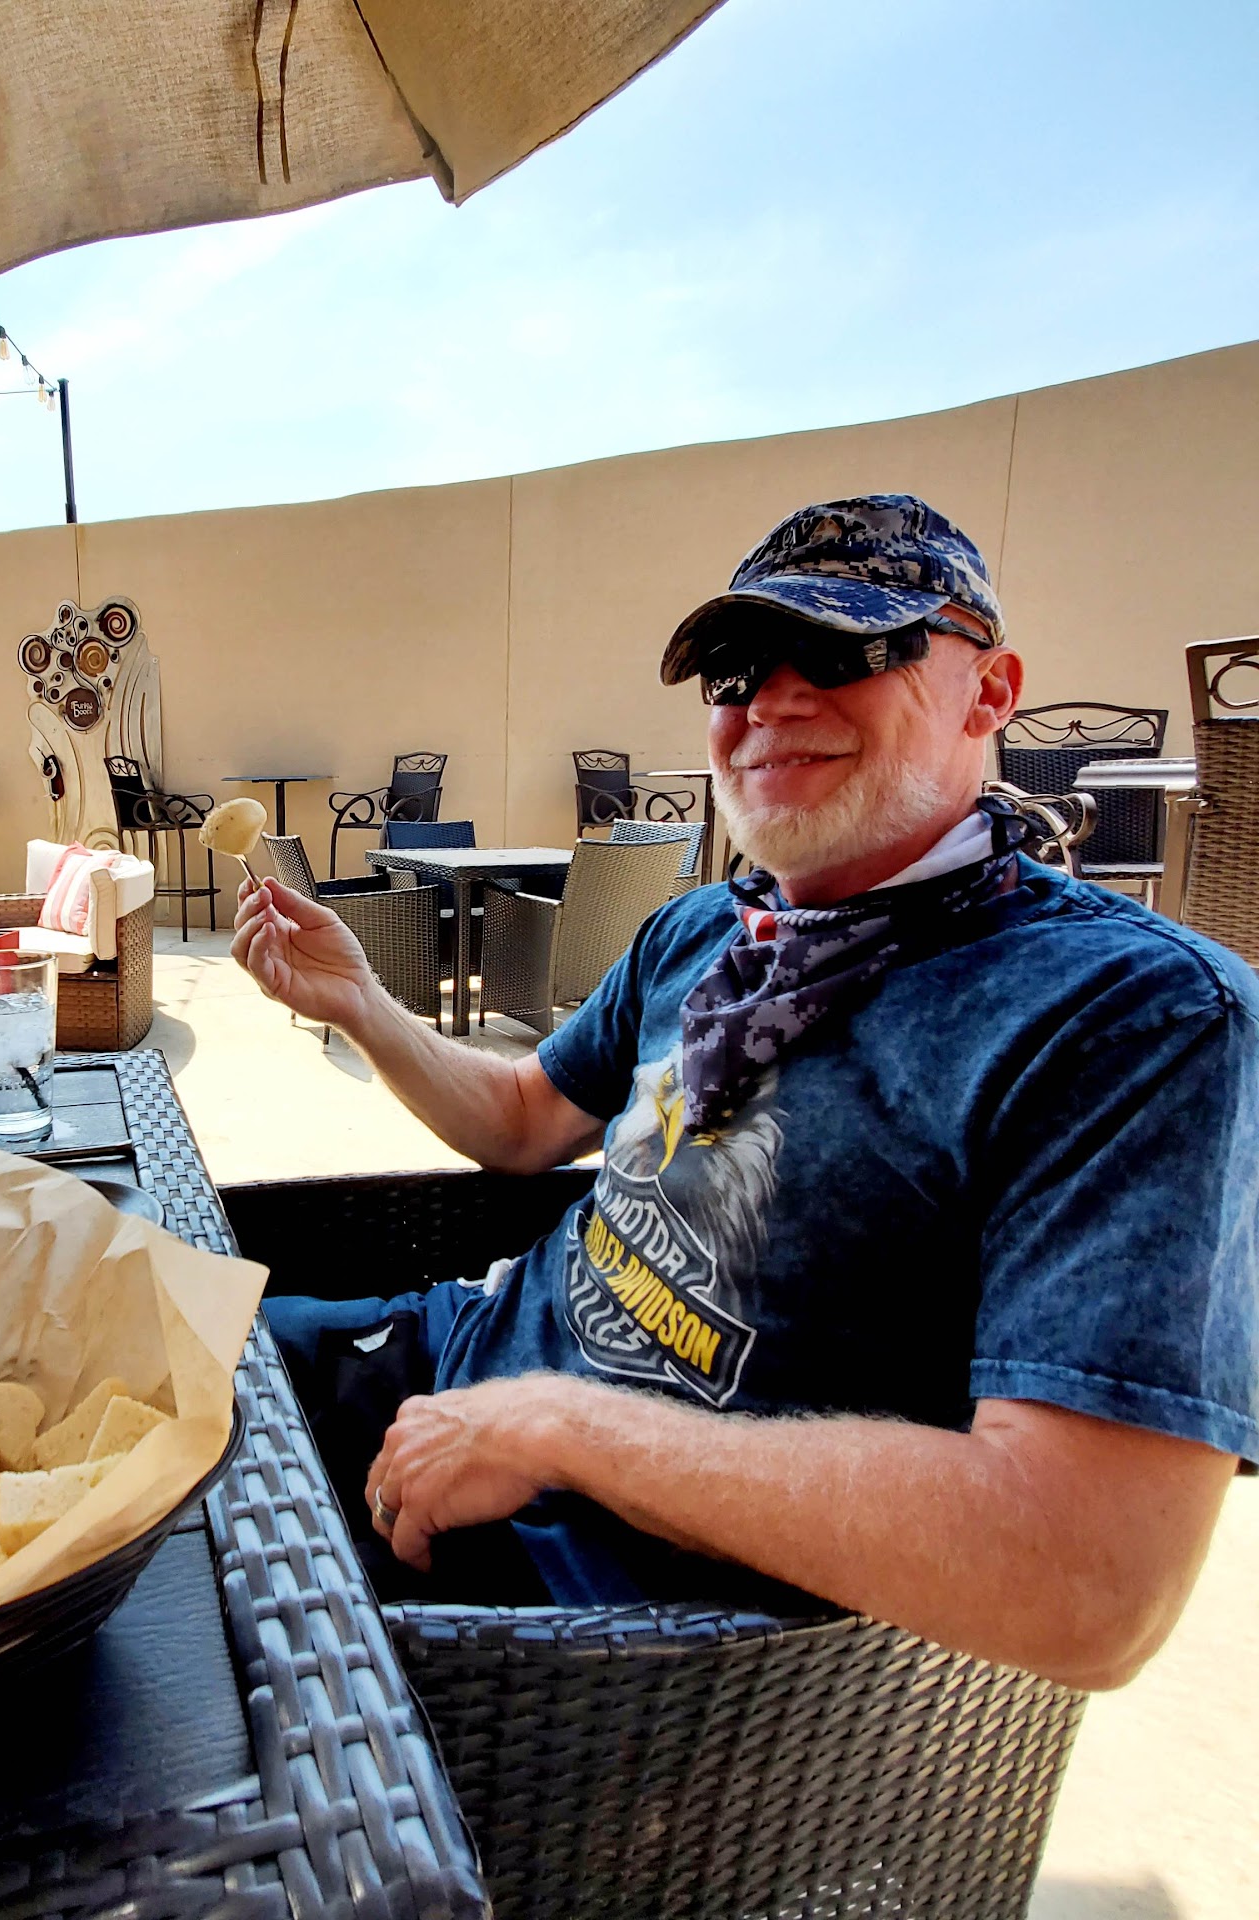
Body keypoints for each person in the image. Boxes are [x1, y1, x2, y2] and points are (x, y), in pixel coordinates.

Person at [231, 494, 1259, 1690]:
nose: (771, 701)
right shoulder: (705, 930)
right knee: (110, 1367)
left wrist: (561, 1427)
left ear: (989, 691)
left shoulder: (1131, 1018)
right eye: (736, 670)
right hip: (446, 1356)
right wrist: (364, 1003)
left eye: (844, 652)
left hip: (577, 1594)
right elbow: (521, 1123)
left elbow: (1087, 1583)